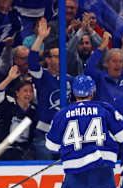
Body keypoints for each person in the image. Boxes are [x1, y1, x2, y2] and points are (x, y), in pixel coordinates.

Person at [28, 18, 74, 160]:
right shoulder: (43, 76)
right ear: (48, 60)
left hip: (66, 135)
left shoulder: (70, 79)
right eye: (56, 56)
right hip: (44, 134)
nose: (60, 60)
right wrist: (41, 37)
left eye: (62, 57)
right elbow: (32, 62)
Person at [0, 66, 37, 160]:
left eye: (31, 91)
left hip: (23, 150)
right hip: (2, 147)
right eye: (25, 91)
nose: (28, 94)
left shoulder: (33, 111)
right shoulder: (8, 104)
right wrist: (9, 78)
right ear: (17, 93)